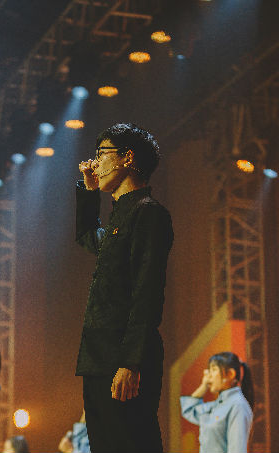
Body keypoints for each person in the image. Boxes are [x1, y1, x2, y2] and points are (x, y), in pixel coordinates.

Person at [76, 123, 173, 452]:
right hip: (98, 356)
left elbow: (147, 291)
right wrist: (89, 191)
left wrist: (131, 361)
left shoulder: (149, 214)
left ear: (127, 158)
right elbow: (87, 236)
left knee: (131, 444)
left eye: (102, 154)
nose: (94, 163)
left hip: (122, 358)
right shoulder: (120, 216)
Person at [180, 352, 254, 453]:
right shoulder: (218, 405)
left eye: (214, 369)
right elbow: (189, 411)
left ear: (230, 374)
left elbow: (237, 450)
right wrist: (204, 386)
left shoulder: (238, 405)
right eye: (209, 370)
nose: (208, 375)